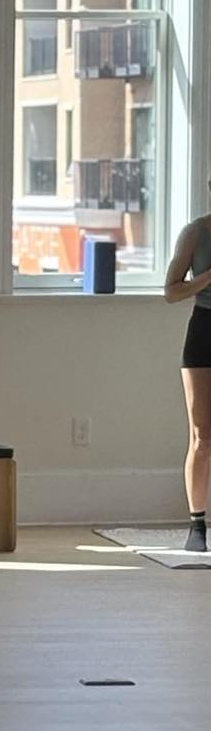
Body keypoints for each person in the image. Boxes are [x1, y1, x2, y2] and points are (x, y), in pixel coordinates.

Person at [165, 197, 211, 551]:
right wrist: (208, 277)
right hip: (205, 331)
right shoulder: (195, 233)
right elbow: (171, 291)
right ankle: (197, 525)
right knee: (202, 434)